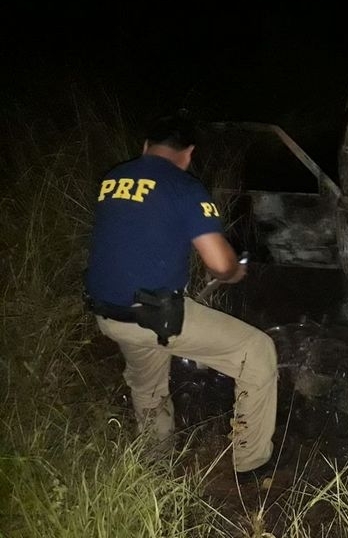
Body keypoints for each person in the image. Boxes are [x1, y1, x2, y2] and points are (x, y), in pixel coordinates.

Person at [84, 112, 277, 483]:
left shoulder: (112, 179)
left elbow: (132, 237)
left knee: (148, 387)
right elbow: (220, 263)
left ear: (144, 146)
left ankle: (155, 468)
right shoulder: (183, 186)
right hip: (157, 316)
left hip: (109, 314)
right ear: (188, 154)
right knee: (257, 351)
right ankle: (252, 464)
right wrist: (235, 272)